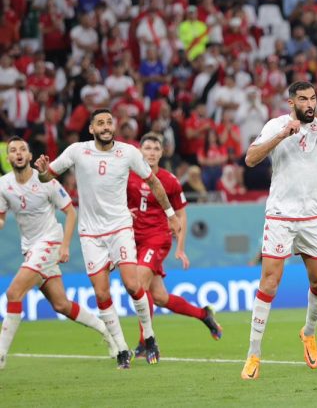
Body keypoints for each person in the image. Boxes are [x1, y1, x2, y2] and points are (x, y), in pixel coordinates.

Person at [34, 109, 182, 369]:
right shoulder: (77, 151)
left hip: (120, 229)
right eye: (100, 123)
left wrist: (170, 214)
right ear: (91, 129)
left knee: (133, 285)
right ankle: (122, 349)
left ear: (113, 127)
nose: (105, 126)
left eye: (109, 122)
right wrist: (43, 171)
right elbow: (48, 176)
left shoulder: (128, 153)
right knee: (102, 293)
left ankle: (149, 337)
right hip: (90, 234)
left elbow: (155, 182)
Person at [240, 82, 317, 381]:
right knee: (269, 284)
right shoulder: (276, 125)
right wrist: (281, 135)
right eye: (303, 99)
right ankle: (254, 353)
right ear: (291, 102)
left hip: (312, 218)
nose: (310, 104)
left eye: (313, 98)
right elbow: (250, 159)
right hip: (280, 217)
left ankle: (309, 332)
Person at [0, 137, 118, 369]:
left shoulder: (46, 181)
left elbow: (70, 212)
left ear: (30, 155)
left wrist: (64, 246)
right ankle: (106, 330)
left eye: (23, 149)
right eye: (13, 151)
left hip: (50, 242)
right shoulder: (3, 185)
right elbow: (2, 219)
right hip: (30, 249)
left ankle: (1, 354)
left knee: (14, 293)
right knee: (61, 304)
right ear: (8, 158)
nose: (18, 153)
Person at [127, 133, 222, 357]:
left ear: (162, 153)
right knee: (159, 296)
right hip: (133, 240)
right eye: (147, 148)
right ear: (140, 151)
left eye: (155, 149)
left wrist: (180, 247)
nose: (151, 152)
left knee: (139, 283)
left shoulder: (169, 181)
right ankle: (204, 315)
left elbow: (181, 215)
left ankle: (145, 341)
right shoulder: (129, 177)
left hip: (157, 238)